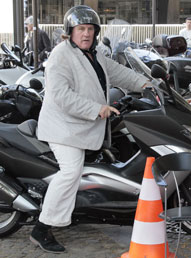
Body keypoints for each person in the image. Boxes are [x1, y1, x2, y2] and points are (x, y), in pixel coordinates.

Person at [29, 5, 151, 254]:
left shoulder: (94, 53)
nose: (86, 34)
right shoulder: (60, 56)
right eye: (81, 29)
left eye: (90, 29)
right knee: (71, 171)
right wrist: (97, 109)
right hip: (63, 128)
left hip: (83, 127)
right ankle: (41, 229)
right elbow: (61, 96)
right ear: (70, 32)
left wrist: (147, 83)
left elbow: (118, 72)